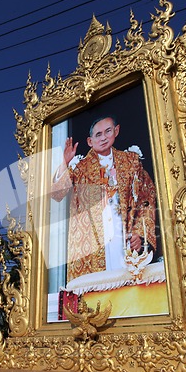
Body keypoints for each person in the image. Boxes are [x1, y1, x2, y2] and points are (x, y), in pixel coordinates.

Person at [51, 116, 156, 283]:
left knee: (127, 285)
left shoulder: (131, 161)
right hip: (93, 242)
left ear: (116, 131)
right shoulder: (80, 167)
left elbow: (146, 200)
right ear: (90, 141)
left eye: (108, 131)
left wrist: (140, 234)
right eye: (98, 134)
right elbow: (56, 193)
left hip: (123, 237)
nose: (103, 137)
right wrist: (65, 162)